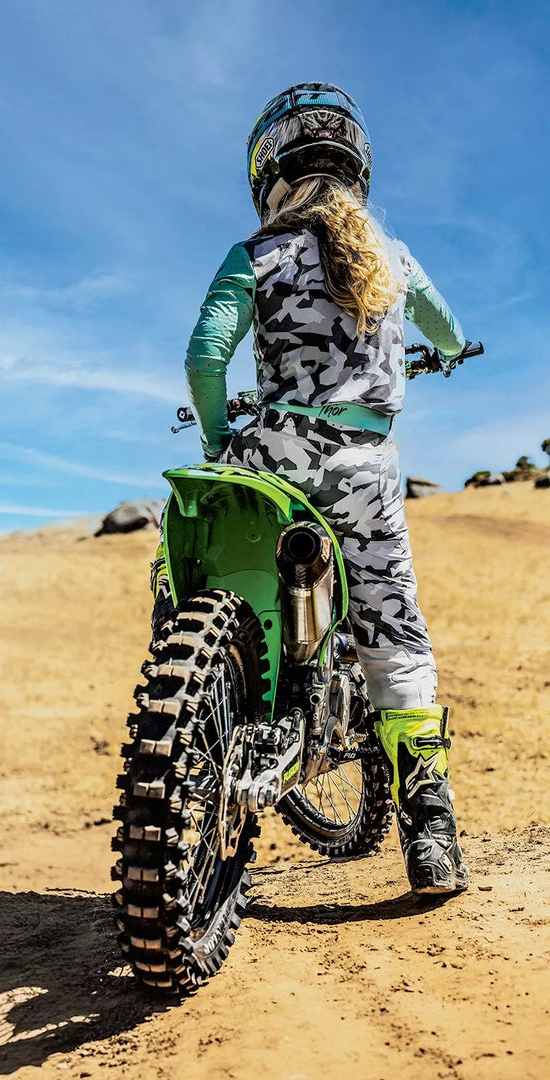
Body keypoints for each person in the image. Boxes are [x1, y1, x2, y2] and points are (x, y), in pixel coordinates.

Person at [179, 83, 469, 896]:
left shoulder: (255, 253)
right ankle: (431, 832)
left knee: (210, 568)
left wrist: (218, 440)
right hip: (365, 469)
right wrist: (446, 351)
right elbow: (447, 332)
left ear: (268, 174)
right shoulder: (393, 257)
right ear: (356, 168)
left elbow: (205, 359)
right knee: (395, 629)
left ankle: (201, 707)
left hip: (272, 456)